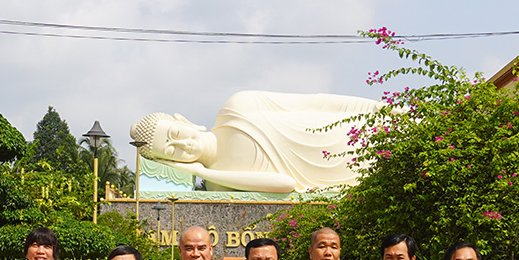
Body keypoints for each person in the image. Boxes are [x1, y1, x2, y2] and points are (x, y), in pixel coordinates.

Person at [130, 91, 383, 192]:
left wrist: (374, 108)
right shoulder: (218, 184)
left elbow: (314, 103)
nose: (184, 145)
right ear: (170, 162)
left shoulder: (237, 106)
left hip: (351, 129)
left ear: (184, 121)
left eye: (176, 134)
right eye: (172, 151)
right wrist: (201, 171)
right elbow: (286, 184)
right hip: (339, 174)